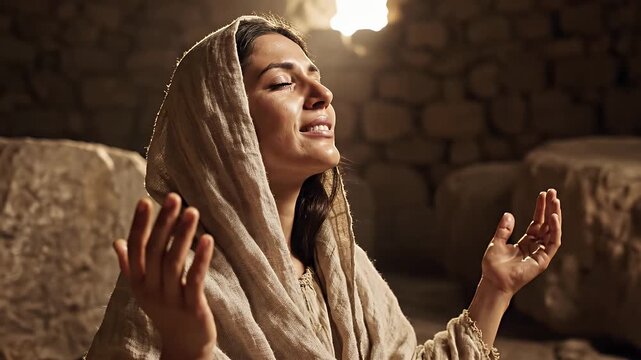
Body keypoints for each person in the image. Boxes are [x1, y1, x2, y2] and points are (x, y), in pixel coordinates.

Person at [87, 15, 562, 359]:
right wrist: (188, 354)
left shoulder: (340, 267)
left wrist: (496, 289)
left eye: (316, 77)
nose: (323, 95)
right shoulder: (171, 282)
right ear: (222, 125)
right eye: (281, 84)